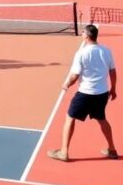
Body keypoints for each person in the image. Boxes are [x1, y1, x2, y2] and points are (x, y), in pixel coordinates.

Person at [48, 24, 117, 162]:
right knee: (102, 119)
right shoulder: (106, 51)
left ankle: (64, 152)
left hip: (85, 94)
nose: (82, 34)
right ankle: (112, 150)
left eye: (83, 32)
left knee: (70, 118)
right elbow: (112, 71)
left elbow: (75, 75)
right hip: (102, 93)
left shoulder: (81, 53)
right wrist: (113, 89)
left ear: (87, 35)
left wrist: (66, 84)